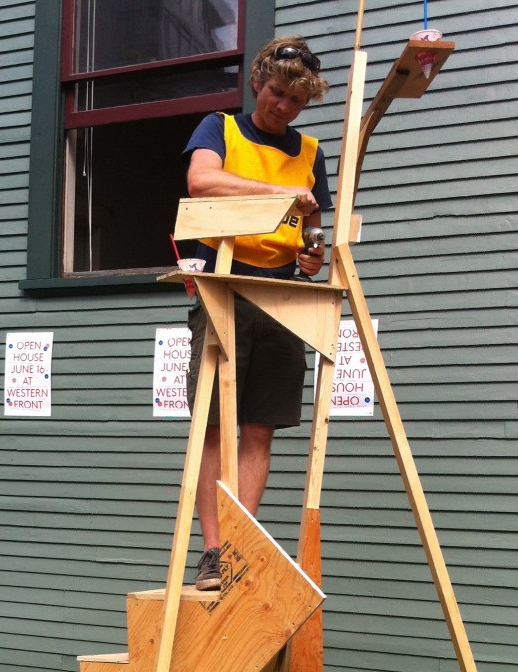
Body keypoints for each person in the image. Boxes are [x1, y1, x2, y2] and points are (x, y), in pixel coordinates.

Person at [183, 36, 331, 590]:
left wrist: (314, 254)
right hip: (222, 282)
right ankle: (214, 550)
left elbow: (316, 227)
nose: (283, 107)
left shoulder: (311, 153)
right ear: (258, 85)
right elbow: (200, 182)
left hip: (281, 292)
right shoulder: (218, 129)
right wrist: (279, 194)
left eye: (295, 101)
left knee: (261, 427)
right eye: (276, 93)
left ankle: (242, 543)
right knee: (214, 426)